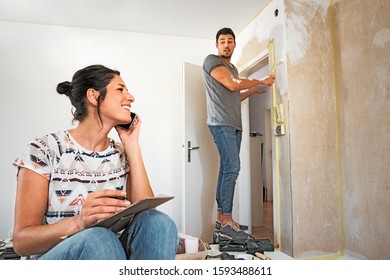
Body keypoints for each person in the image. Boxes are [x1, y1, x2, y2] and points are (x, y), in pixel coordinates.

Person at [12, 64, 179, 260]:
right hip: (56, 259)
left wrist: (132, 145)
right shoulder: (44, 149)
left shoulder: (121, 153)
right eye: (120, 89)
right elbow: (21, 242)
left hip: (109, 256)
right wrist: (80, 223)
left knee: (158, 222)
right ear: (93, 96)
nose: (131, 98)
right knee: (97, 237)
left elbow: (146, 215)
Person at [202, 28, 275, 240]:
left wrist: (252, 90)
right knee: (233, 167)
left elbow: (234, 96)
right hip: (221, 123)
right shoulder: (212, 61)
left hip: (234, 124)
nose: (226, 44)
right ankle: (227, 220)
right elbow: (232, 85)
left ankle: (220, 218)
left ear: (234, 45)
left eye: (230, 41)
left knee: (227, 168)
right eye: (222, 41)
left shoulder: (232, 68)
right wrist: (259, 81)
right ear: (216, 45)